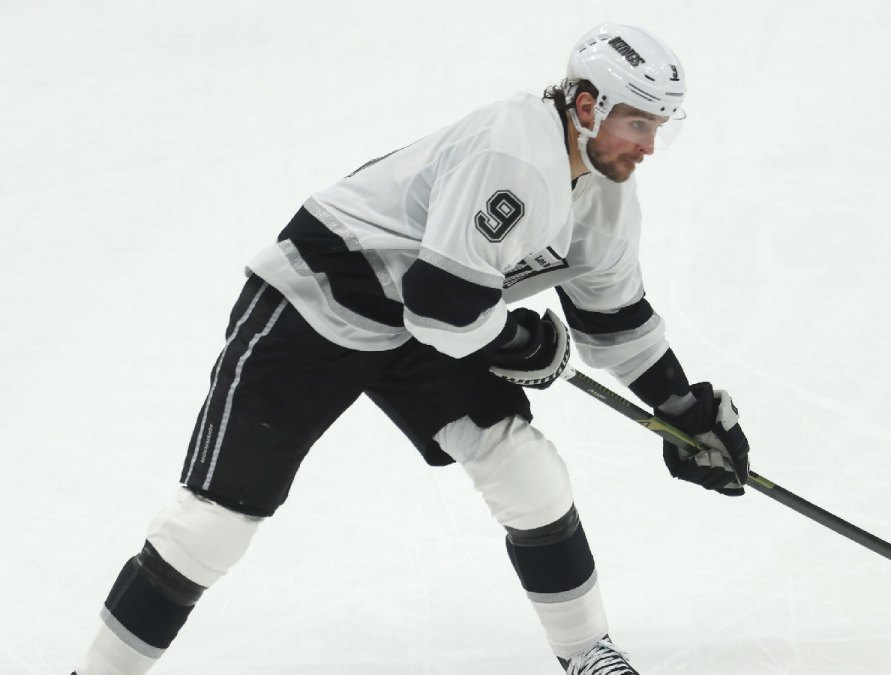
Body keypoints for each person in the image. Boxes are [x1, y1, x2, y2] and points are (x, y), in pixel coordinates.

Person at [73, 22, 750, 675]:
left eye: (660, 127)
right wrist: (520, 340)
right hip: (318, 300)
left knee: (528, 473)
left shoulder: (607, 196)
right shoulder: (516, 153)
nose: (649, 147)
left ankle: (587, 654)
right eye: (638, 123)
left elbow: (615, 319)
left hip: (418, 322)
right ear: (585, 105)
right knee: (211, 527)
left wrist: (681, 407)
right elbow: (442, 305)